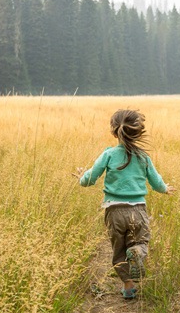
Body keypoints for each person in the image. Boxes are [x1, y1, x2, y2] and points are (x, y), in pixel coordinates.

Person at [74, 109, 174, 299]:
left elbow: (89, 180)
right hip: (138, 210)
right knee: (141, 241)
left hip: (113, 211)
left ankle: (128, 287)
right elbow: (156, 182)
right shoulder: (143, 157)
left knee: (119, 250)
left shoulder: (108, 155)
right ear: (138, 133)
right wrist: (165, 189)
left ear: (114, 133)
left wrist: (81, 178)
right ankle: (136, 252)